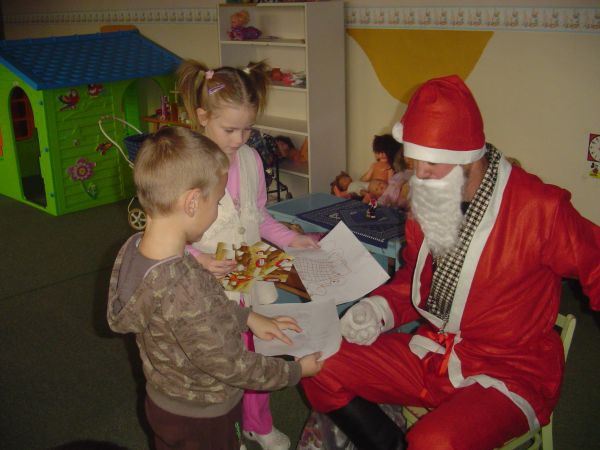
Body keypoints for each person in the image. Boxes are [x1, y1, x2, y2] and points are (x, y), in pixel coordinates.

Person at [301, 75, 600, 450]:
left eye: (430, 166)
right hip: (437, 354)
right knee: (317, 362)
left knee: (433, 442)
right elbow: (417, 276)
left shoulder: (540, 208)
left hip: (510, 371)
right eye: (415, 165)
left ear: (468, 157)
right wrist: (378, 308)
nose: (420, 179)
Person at [107, 127, 323, 450]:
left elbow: (206, 307)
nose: (220, 208)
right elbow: (232, 364)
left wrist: (248, 318)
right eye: (219, 200)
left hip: (164, 398)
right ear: (193, 202)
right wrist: (295, 370)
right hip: (206, 414)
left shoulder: (139, 249)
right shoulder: (184, 287)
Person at [177, 59, 319, 450]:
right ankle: (228, 432)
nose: (240, 139)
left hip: (247, 271)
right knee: (220, 360)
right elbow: (170, 235)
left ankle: (257, 422)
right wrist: (200, 259)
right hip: (207, 282)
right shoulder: (187, 167)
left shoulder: (251, 159)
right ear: (203, 116)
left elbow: (258, 216)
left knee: (255, 351)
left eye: (248, 129)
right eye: (230, 129)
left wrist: (290, 240)